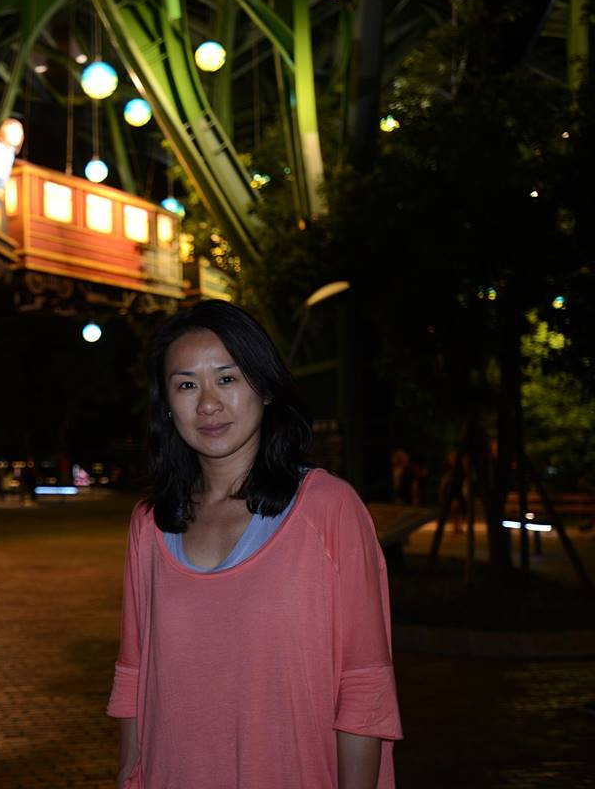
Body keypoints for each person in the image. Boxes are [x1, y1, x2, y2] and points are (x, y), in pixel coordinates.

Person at [108, 300, 402, 788]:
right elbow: (134, 673)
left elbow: (364, 682)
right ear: (167, 405)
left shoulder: (328, 509)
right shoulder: (151, 523)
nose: (208, 404)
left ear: (264, 388)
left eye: (226, 378)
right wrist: (128, 774)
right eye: (186, 385)